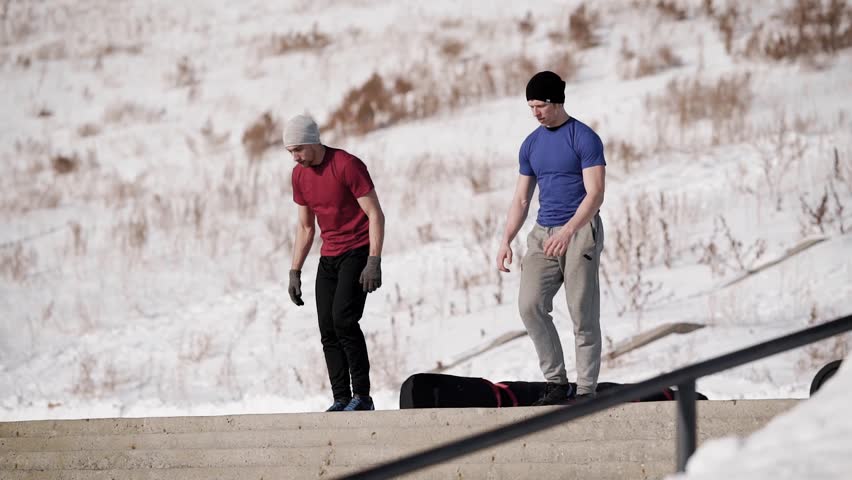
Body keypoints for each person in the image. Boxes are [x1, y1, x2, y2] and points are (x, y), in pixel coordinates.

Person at [496, 71, 606, 406]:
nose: (536, 112)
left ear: (557, 101)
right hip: (543, 234)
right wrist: (506, 240)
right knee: (529, 305)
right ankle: (556, 383)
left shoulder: (584, 138)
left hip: (580, 230)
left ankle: (586, 391)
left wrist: (570, 231)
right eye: (531, 106)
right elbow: (521, 199)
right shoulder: (531, 144)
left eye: (540, 105)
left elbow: (596, 194)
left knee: (581, 314)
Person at [284, 114, 385, 412]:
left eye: (298, 149)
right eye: (290, 152)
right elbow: (305, 227)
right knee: (327, 328)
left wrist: (374, 260)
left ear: (313, 141)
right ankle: (341, 398)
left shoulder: (346, 165)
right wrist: (295, 270)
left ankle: (363, 397)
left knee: (344, 320)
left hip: (356, 251)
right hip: (329, 256)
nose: (295, 157)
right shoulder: (299, 176)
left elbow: (375, 215)